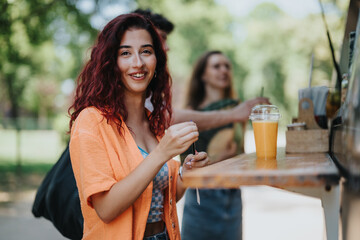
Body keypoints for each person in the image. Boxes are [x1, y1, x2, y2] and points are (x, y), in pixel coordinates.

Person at [68, 13, 209, 240]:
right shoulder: (91, 121)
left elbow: (162, 196)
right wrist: (162, 153)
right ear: (109, 62)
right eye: (125, 53)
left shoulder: (154, 123)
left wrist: (185, 174)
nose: (138, 62)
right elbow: (106, 209)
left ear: (157, 60)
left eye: (146, 51)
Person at [180, 50, 250, 240]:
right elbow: (186, 168)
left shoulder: (238, 111)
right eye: (216, 66)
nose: (224, 70)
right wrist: (222, 158)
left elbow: (240, 154)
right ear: (203, 75)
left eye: (227, 66)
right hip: (202, 200)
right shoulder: (189, 114)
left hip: (232, 196)